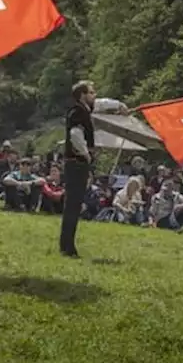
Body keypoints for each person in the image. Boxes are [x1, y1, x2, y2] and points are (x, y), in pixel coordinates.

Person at [61, 80, 127, 258]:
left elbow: (101, 103)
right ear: (83, 95)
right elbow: (75, 134)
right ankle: (67, 247)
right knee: (73, 206)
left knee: (73, 205)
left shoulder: (83, 109)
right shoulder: (77, 112)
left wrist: (118, 105)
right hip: (76, 162)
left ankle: (67, 245)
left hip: (78, 162)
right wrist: (86, 154)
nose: (94, 95)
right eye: (91, 92)